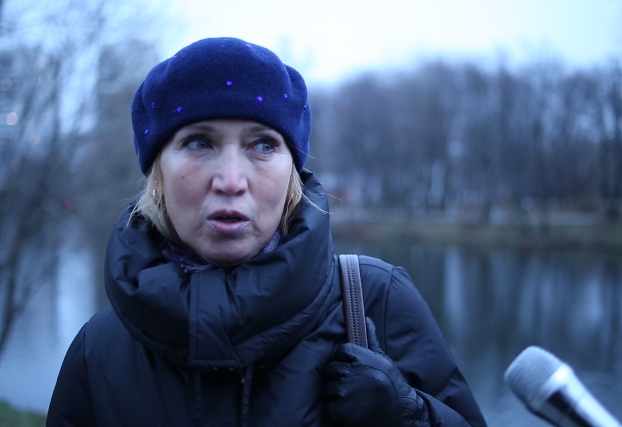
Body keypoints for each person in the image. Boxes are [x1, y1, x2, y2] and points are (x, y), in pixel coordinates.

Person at [47, 37, 487, 427]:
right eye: (199, 142)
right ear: (157, 174)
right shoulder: (98, 351)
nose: (231, 181)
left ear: (291, 172)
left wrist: (409, 416)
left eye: (263, 145)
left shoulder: (377, 301)